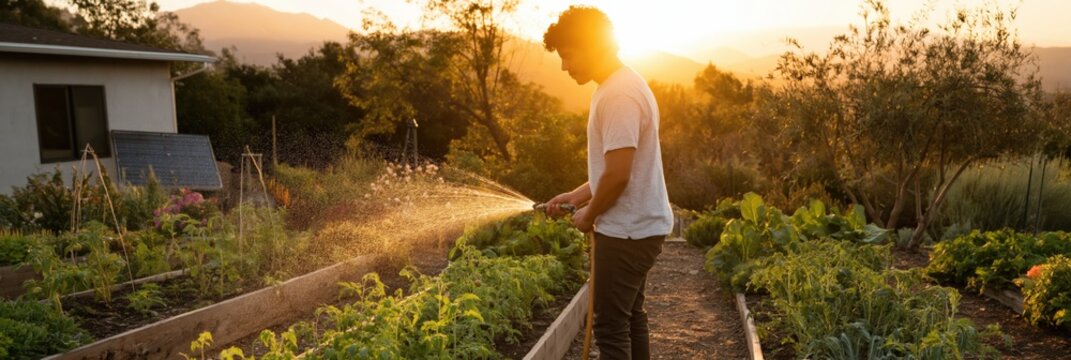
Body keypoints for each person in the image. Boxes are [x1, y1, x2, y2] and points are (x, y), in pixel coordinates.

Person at [541, 6, 673, 360]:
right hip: (639, 226)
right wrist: (577, 194)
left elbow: (618, 175)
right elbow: (611, 167)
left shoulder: (619, 95)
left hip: (628, 232)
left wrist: (587, 215)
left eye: (568, 56)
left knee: (610, 327)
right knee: (630, 318)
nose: (565, 66)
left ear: (590, 46)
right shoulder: (618, 84)